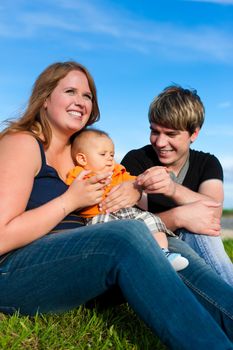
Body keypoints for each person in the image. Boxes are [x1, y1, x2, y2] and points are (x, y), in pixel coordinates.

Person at [0, 62, 233, 350]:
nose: (81, 101)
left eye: (87, 95)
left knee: (169, 246)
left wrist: (134, 192)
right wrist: (69, 201)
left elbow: (123, 191)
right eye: (70, 91)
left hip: (79, 266)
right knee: (128, 234)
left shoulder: (84, 152)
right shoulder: (22, 143)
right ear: (45, 98)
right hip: (16, 274)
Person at [121, 85, 233, 287]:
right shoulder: (136, 160)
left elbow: (213, 215)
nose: (160, 142)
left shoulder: (207, 163)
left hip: (195, 242)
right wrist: (179, 217)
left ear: (194, 133)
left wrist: (172, 190)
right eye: (154, 131)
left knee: (201, 230)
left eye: (171, 134)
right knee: (196, 227)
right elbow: (127, 229)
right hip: (154, 246)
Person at [66, 128, 189, 271]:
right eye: (103, 154)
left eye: (112, 154)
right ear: (82, 159)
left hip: (127, 212)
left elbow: (136, 182)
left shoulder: (118, 171)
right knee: (109, 232)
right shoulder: (80, 175)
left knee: (152, 220)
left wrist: (147, 176)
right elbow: (75, 197)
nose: (110, 158)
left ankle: (163, 253)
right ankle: (126, 261)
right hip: (99, 215)